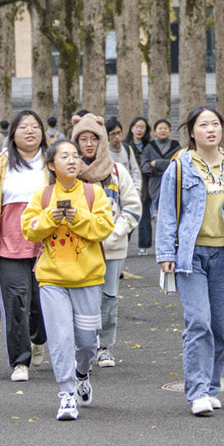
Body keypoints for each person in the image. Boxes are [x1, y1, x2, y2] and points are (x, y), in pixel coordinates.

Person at [156, 107, 224, 416]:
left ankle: (213, 387)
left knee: (219, 327)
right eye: (203, 125)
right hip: (191, 257)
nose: (210, 129)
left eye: (215, 123)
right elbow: (166, 213)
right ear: (192, 132)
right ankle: (197, 392)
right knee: (198, 322)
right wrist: (165, 254)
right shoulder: (179, 168)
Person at [21, 139, 114, 421]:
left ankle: (82, 373)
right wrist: (51, 216)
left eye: (75, 156)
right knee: (60, 338)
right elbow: (30, 228)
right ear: (51, 165)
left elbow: (104, 226)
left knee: (87, 342)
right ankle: (66, 394)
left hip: (87, 278)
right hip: (51, 279)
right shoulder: (43, 196)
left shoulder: (93, 192)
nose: (72, 160)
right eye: (64, 157)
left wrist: (78, 217)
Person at [0, 110, 50, 381]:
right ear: (13, 134)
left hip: (47, 244)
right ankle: (20, 361)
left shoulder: (51, 163)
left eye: (35, 127)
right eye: (23, 127)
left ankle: (38, 338)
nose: (30, 131)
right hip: (8, 244)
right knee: (16, 300)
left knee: (40, 302)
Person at [76, 114, 141, 370]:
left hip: (112, 248)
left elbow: (133, 207)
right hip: (79, 248)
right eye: (83, 139)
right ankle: (84, 346)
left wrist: (115, 233)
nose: (89, 144)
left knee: (109, 297)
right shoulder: (70, 171)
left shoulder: (117, 171)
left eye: (94, 138)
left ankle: (104, 346)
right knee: (82, 298)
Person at [138, 119, 180, 256]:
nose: (163, 131)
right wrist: (163, 166)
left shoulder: (176, 146)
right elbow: (144, 166)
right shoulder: (149, 147)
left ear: (169, 131)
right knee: (157, 214)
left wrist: (157, 164)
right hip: (154, 185)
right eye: (160, 128)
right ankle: (146, 245)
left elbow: (178, 163)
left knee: (171, 213)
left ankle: (172, 242)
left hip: (172, 182)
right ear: (155, 132)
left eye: (165, 128)